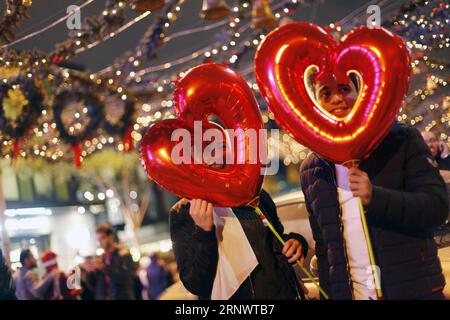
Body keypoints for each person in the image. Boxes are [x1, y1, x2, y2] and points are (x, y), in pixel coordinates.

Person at [299, 73, 448, 299]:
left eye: (344, 89)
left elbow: (437, 208)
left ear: (361, 94)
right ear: (316, 103)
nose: (337, 99)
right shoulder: (312, 170)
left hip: (412, 291)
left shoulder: (401, 140)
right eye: (326, 93)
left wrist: (376, 198)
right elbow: (324, 247)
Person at [170, 189, 308, 300]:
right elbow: (195, 283)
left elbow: (276, 240)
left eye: (219, 152)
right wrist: (204, 232)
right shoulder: (183, 211)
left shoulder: (254, 194)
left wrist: (296, 242)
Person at [93, 224, 136, 300]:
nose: (100, 242)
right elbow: (96, 285)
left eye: (102, 238)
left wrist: (105, 268)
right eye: (98, 240)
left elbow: (127, 277)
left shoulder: (123, 253)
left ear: (110, 237)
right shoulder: (101, 257)